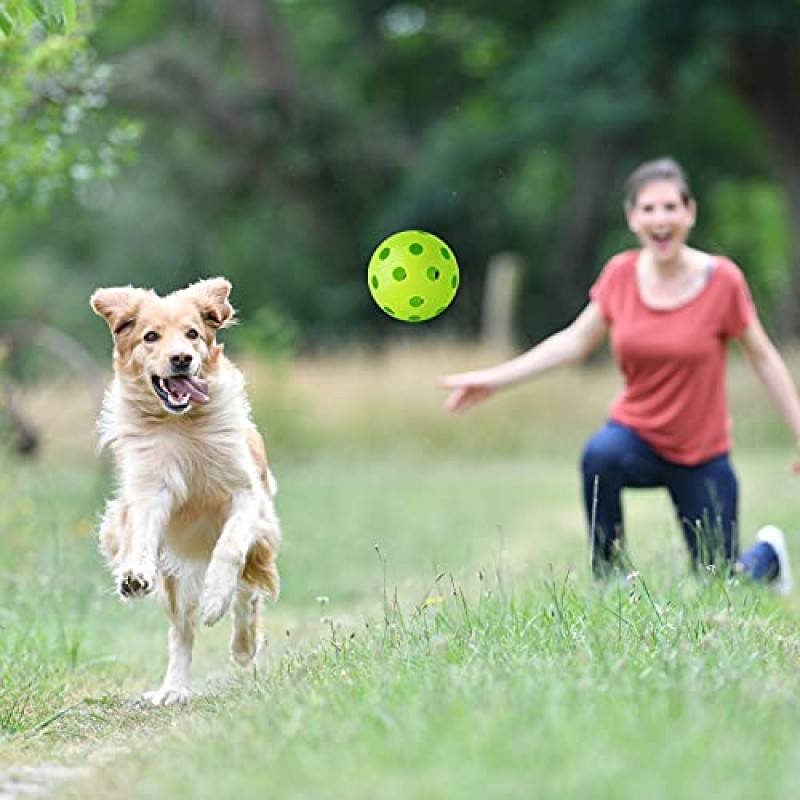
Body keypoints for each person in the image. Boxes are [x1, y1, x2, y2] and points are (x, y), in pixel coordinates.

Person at [440, 157, 800, 592]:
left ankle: (768, 556)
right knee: (600, 456)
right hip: (638, 437)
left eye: (670, 207)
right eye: (648, 208)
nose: (660, 218)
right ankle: (612, 584)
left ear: (690, 213)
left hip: (702, 453)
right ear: (632, 218)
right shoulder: (620, 275)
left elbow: (763, 357)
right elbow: (574, 342)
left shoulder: (723, 281)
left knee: (719, 582)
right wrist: (493, 380)